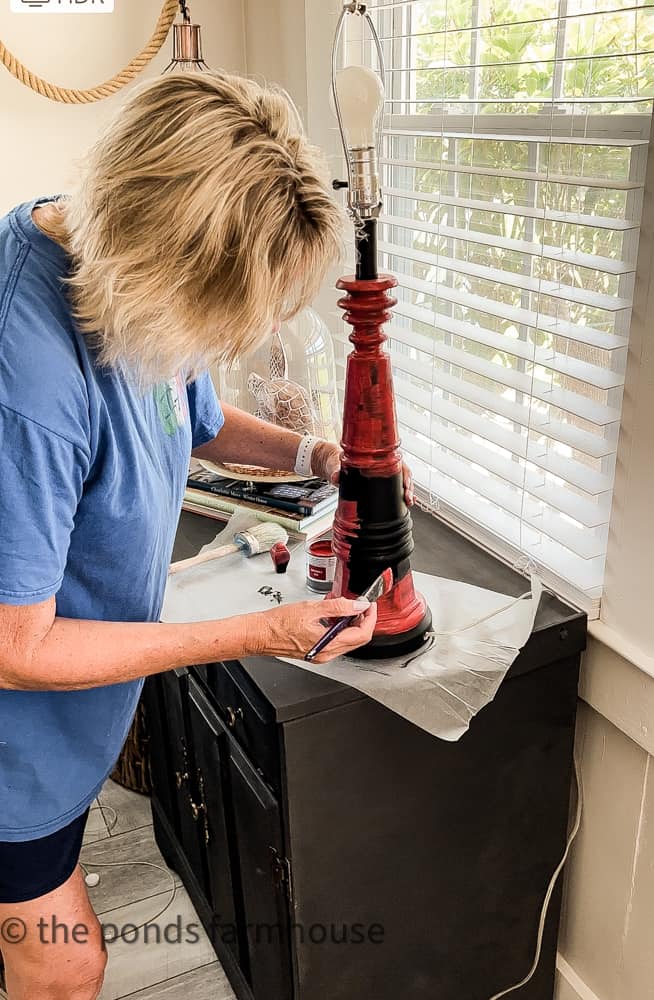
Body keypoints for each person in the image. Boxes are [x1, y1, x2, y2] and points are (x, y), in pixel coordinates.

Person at [0, 71, 413, 999]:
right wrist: (261, 633)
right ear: (170, 258)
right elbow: (14, 650)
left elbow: (192, 417)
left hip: (65, 718)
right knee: (65, 969)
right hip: (11, 741)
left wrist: (322, 455)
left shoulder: (110, 256)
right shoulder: (22, 389)